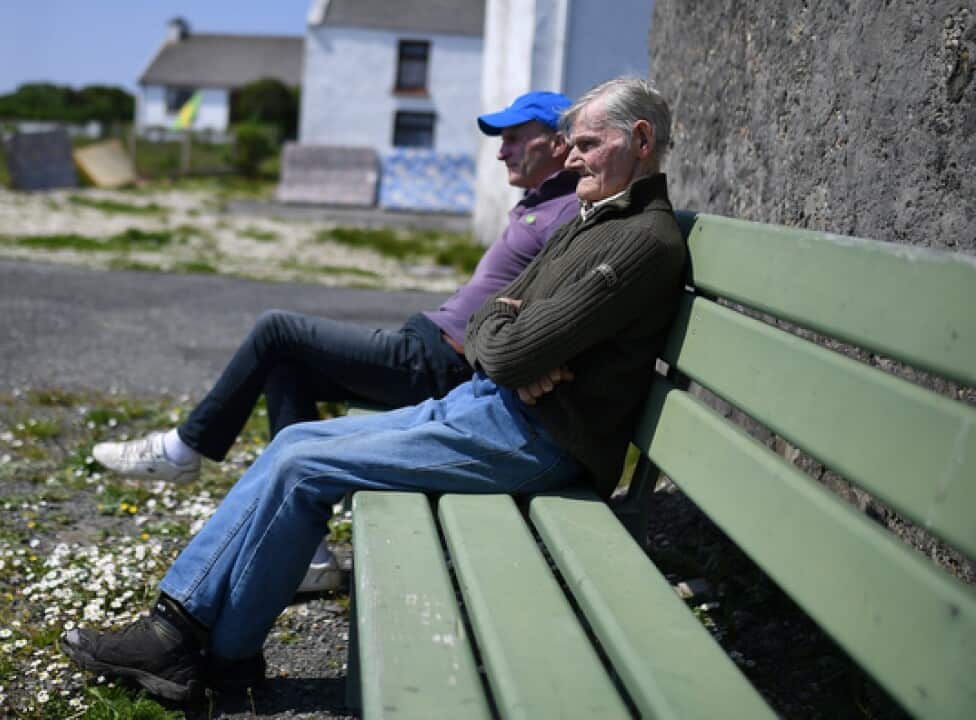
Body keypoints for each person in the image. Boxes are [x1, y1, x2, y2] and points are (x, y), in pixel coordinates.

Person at [60, 76, 686, 702]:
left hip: (536, 440)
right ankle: (195, 640)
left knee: (305, 465)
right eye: (570, 143)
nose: (572, 156)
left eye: (586, 143)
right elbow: (494, 316)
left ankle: (201, 646)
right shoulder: (594, 216)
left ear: (639, 140)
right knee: (298, 440)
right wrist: (510, 341)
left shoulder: (640, 240)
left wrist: (511, 346)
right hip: (489, 407)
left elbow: (508, 345)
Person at [92, 91, 579, 591]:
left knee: (277, 329)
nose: (501, 151)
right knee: (286, 366)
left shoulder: (568, 212)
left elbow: (552, 309)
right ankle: (310, 557)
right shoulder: (540, 201)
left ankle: (184, 449)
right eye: (501, 140)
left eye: (516, 138)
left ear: (560, 143)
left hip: (442, 363)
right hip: (426, 343)